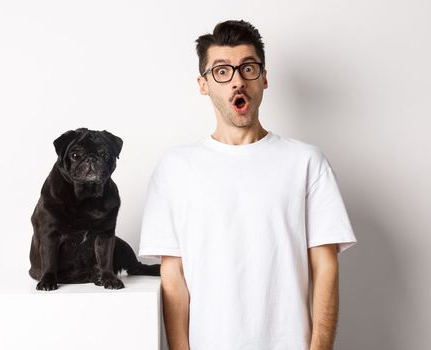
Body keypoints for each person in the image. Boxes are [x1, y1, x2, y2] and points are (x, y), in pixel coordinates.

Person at [136, 20, 357, 350]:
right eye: (222, 71)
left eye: (248, 68)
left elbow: (325, 266)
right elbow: (173, 277)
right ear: (203, 84)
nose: (237, 81)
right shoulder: (175, 168)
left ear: (264, 78)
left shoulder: (306, 162)